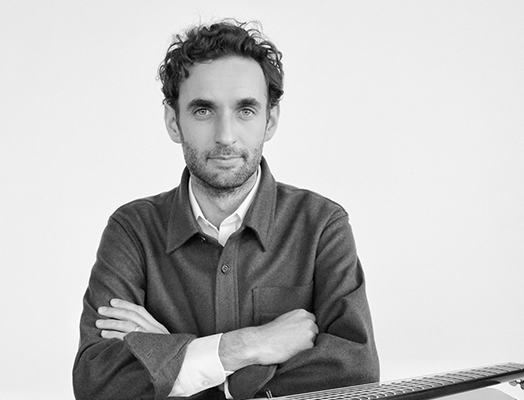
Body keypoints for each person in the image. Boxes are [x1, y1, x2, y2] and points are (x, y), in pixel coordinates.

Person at [73, 19, 379, 400]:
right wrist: (247, 346)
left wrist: (175, 361)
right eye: (203, 110)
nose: (225, 135)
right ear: (173, 121)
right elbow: (97, 381)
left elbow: (354, 372)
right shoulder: (132, 230)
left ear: (270, 120)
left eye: (245, 110)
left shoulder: (321, 226)